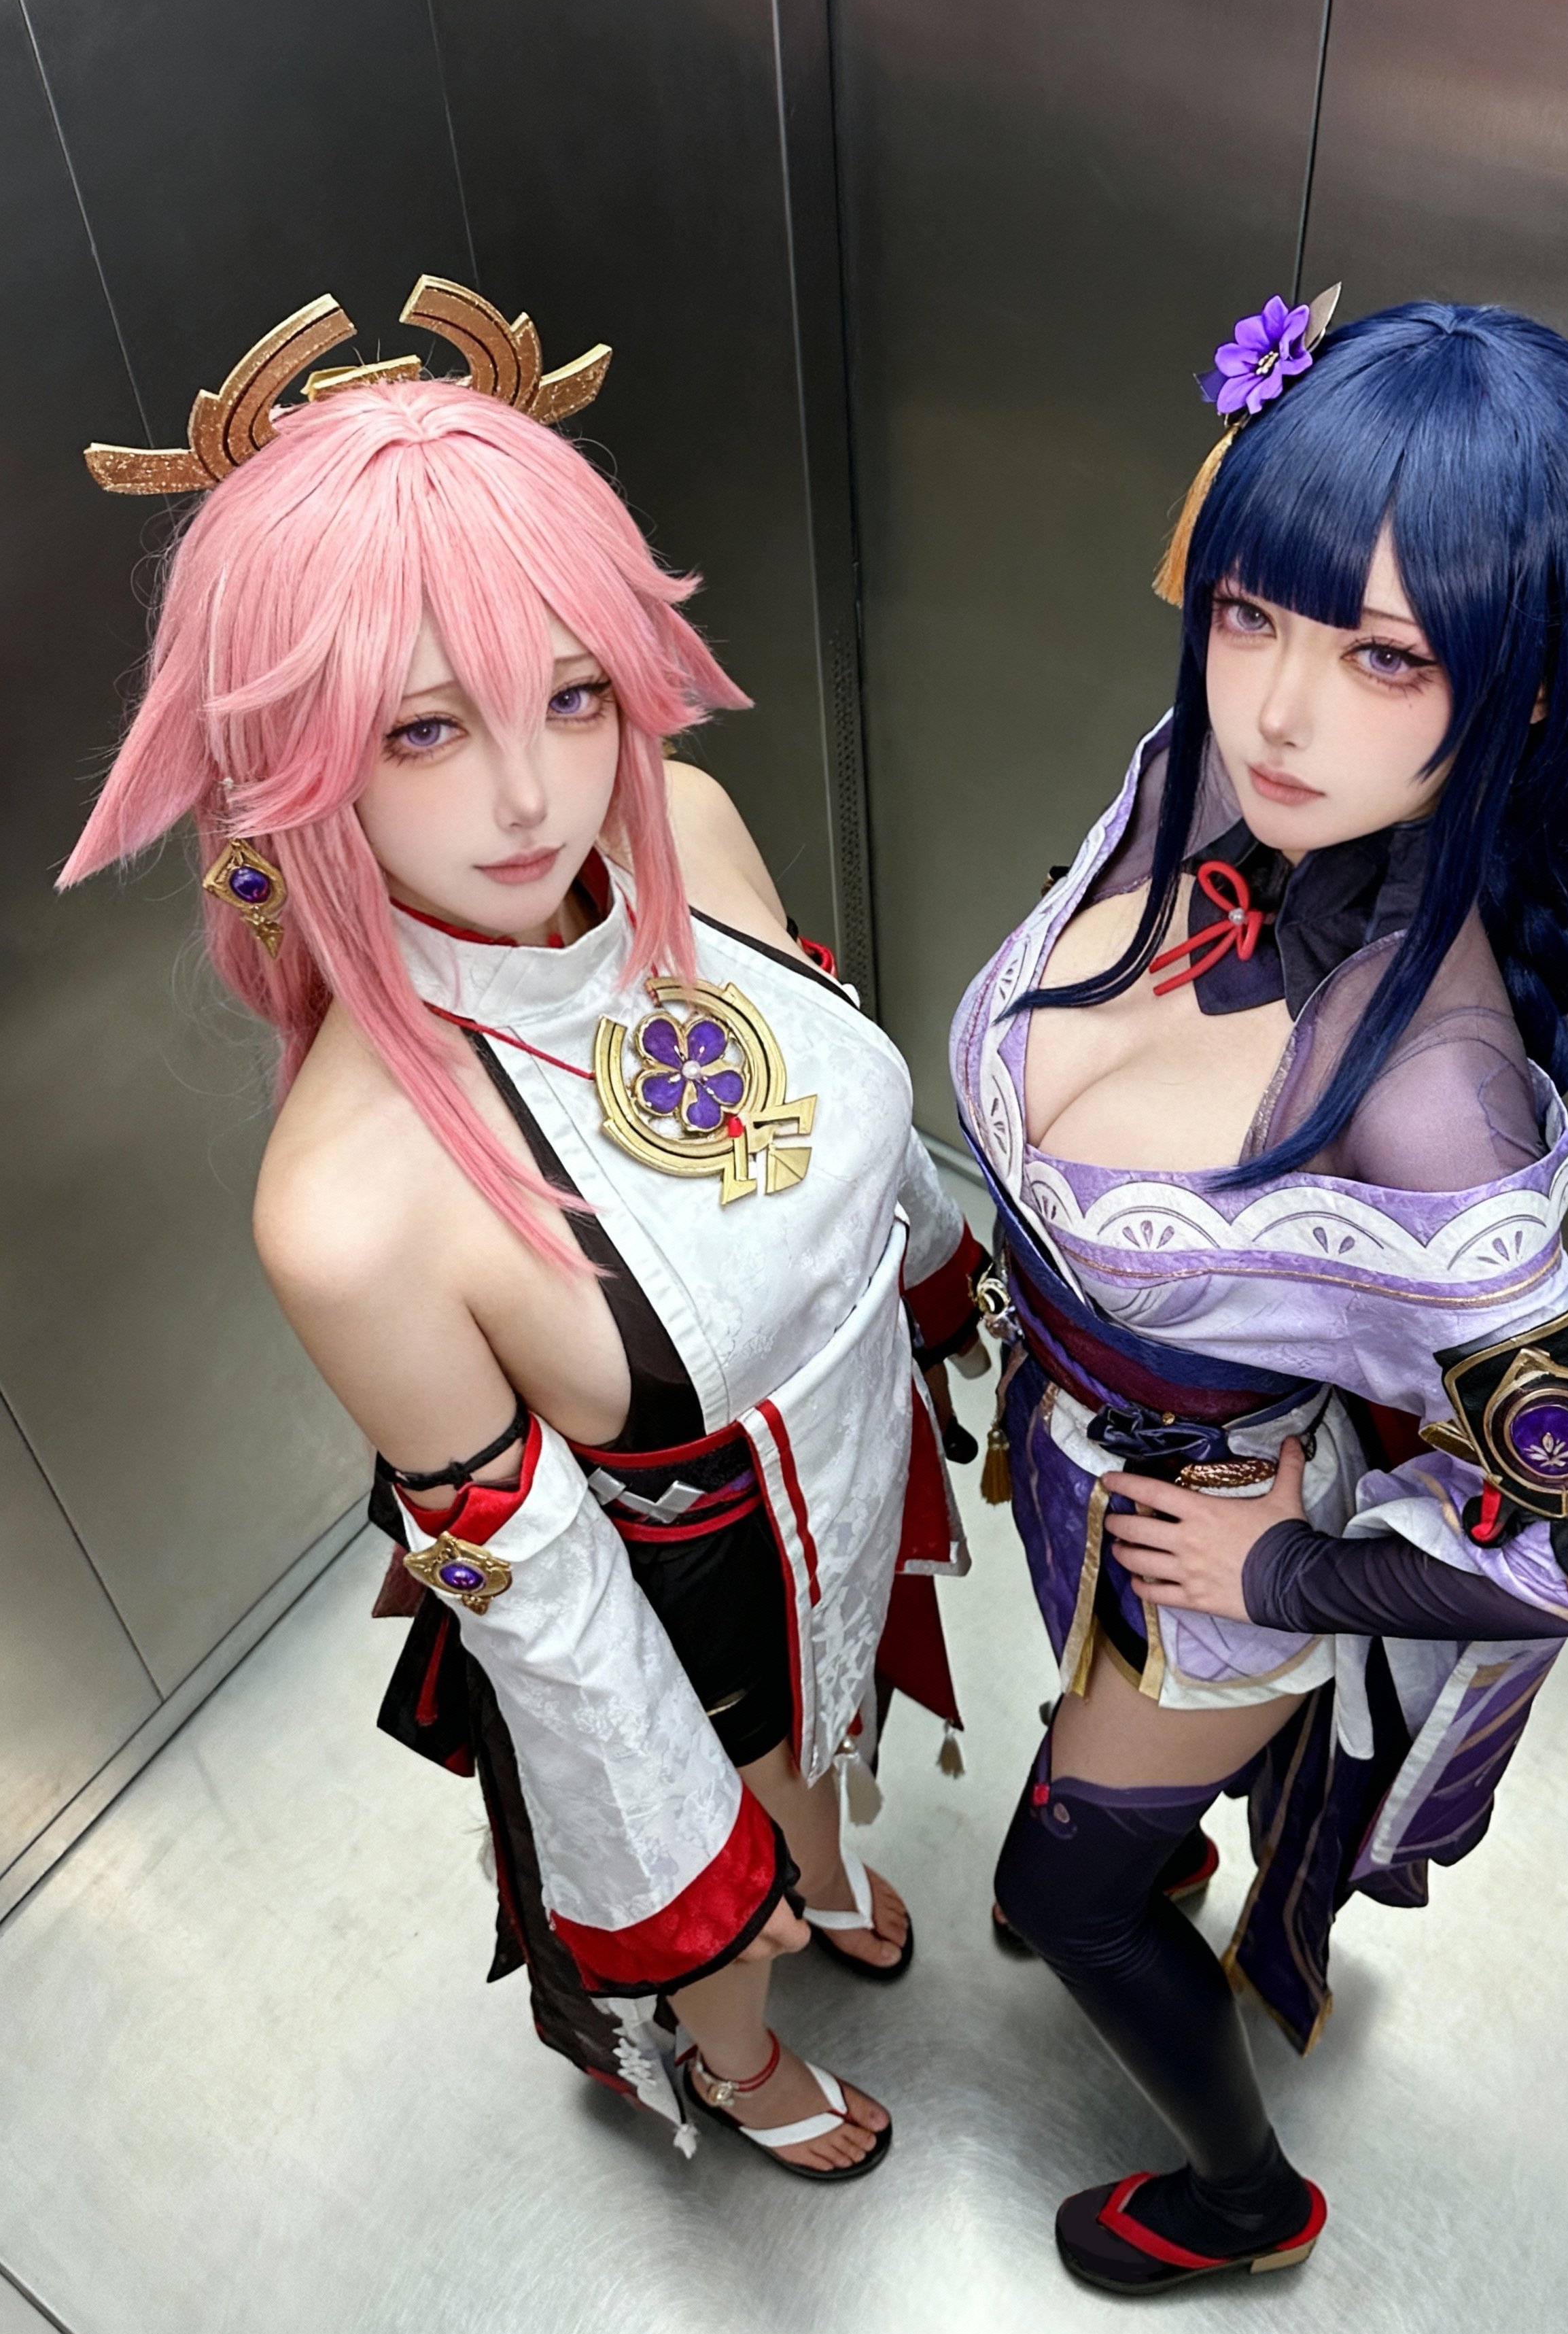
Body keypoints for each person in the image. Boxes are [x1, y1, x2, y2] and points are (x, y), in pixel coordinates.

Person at [65, 278, 982, 2180]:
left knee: (823, 1770)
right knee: (718, 1871)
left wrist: (939, 1299)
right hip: (664, 1607)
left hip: (848, 1466)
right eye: (422, 729)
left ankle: (821, 1867)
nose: (527, 795)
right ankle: (738, 2062)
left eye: (573, 695)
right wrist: (686, 1884)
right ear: (293, 759)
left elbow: (847, 1129)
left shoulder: (685, 827)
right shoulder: (347, 1200)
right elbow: (566, 1644)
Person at [954, 295, 1568, 2287]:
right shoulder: (1217, 776)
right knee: (1088, 1803)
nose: (1277, 710)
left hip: (1209, 1565)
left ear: (1525, 690)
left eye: (1384, 657)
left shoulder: (1435, 1101)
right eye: (1252, 612)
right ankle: (1144, 1817)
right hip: (1072, 1475)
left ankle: (1243, 2204)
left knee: (1066, 1900)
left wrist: (1287, 1569)